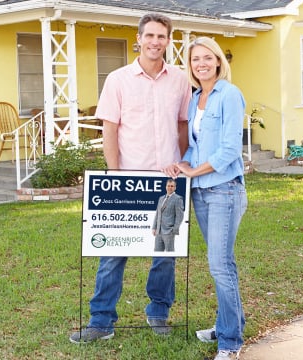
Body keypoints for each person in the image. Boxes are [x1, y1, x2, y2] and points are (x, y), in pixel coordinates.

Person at [69, 13, 191, 343]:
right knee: (112, 252)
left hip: (167, 180)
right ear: (138, 39)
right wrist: (115, 172)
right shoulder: (118, 79)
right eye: (149, 35)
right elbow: (110, 128)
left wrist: (180, 164)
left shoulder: (180, 80)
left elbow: (182, 126)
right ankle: (101, 321)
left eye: (161, 36)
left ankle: (159, 312)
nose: (155, 42)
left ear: (168, 40)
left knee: (164, 253)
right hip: (127, 179)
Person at [174, 36, 247, 360]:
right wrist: (183, 164)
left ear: (218, 61)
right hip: (202, 192)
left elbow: (230, 148)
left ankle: (230, 342)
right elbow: (195, 144)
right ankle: (229, 322)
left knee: (221, 265)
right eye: (195, 60)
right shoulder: (195, 98)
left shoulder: (229, 95)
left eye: (207, 58)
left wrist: (196, 171)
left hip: (224, 189)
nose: (201, 63)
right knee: (219, 264)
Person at [152, 179, 184, 252]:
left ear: (175, 187)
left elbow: (180, 216)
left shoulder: (178, 199)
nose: (170, 188)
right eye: (168, 186)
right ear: (166, 187)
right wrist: (154, 227)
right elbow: (157, 214)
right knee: (157, 252)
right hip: (158, 231)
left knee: (169, 252)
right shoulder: (161, 198)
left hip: (169, 231)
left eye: (172, 186)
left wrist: (174, 230)